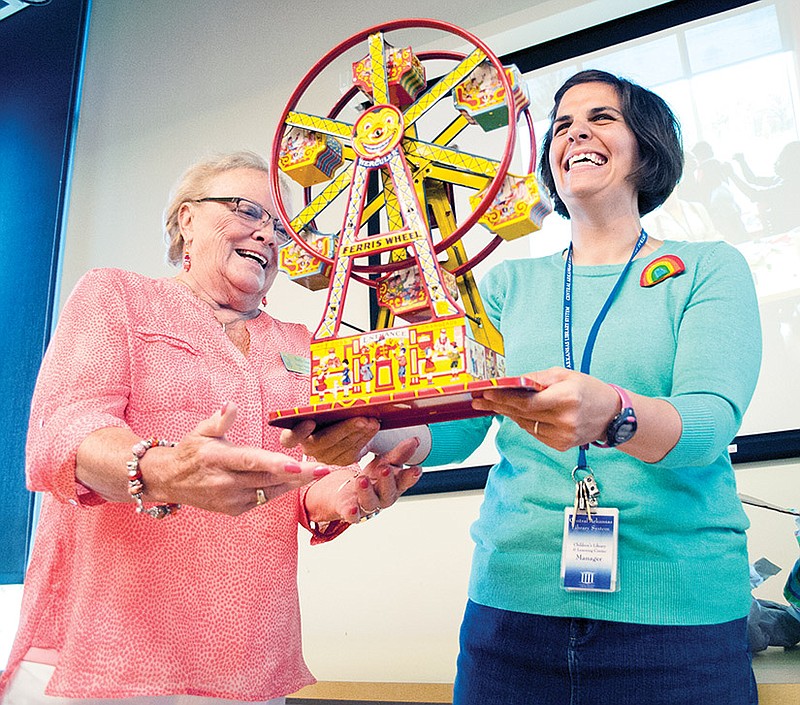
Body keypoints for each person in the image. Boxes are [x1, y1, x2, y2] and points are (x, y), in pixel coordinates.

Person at [285, 71, 763, 704]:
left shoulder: (707, 268)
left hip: (678, 625)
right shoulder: (506, 285)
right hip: (512, 616)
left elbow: (706, 426)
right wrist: (366, 430)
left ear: (647, 146)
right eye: (562, 124)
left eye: (603, 118)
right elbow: (454, 425)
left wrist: (614, 415)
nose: (576, 133)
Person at [0, 151, 420, 705]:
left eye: (281, 226)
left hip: (248, 663)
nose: (267, 234)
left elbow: (314, 474)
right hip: (109, 654)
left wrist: (345, 490)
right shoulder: (119, 296)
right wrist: (161, 470)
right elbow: (66, 431)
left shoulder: (302, 343)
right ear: (186, 220)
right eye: (247, 210)